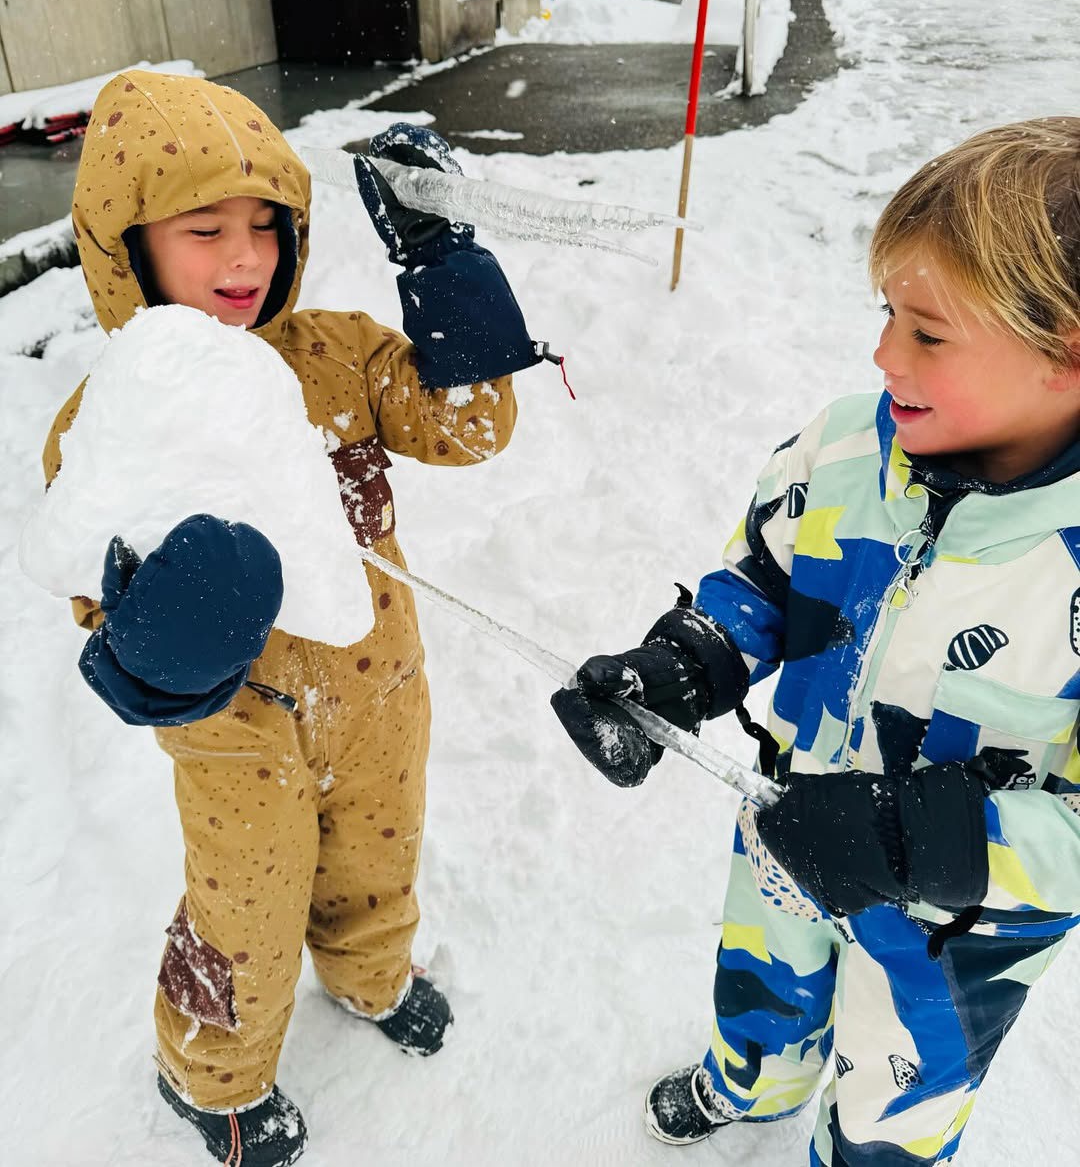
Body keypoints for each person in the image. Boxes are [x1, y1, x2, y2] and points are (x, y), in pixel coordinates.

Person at [42, 71, 551, 1166]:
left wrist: (441, 259)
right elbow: (96, 597)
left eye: (268, 226)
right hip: (236, 726)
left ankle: (371, 976)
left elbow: (468, 429)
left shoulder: (334, 354)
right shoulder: (112, 417)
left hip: (379, 683)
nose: (245, 259)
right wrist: (153, 651)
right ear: (125, 244)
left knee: (380, 849)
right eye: (204, 229)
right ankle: (211, 1074)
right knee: (247, 903)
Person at [551, 118, 1080, 1165]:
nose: (885, 354)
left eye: (928, 334)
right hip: (789, 824)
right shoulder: (845, 445)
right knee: (759, 990)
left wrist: (912, 842)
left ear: (1065, 351)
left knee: (886, 1128)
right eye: (888, 313)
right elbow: (767, 573)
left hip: (955, 939)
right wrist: (689, 661)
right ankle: (747, 1081)